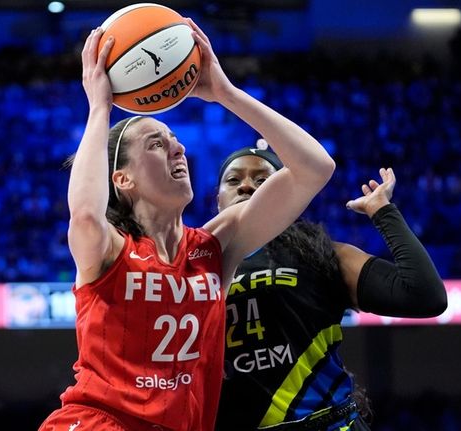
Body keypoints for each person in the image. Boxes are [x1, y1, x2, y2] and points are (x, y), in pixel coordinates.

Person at [38, 19, 335, 431]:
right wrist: (100, 108)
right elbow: (86, 214)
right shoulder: (106, 248)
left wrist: (226, 95)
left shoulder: (215, 246)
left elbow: (315, 169)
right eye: (156, 144)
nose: (177, 147)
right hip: (99, 422)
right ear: (121, 180)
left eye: (174, 139)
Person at [213, 143, 448, 430]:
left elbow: (424, 295)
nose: (247, 186)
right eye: (233, 180)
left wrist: (382, 211)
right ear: (218, 200)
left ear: (285, 197)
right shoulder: (193, 264)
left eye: (263, 180)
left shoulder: (319, 253)